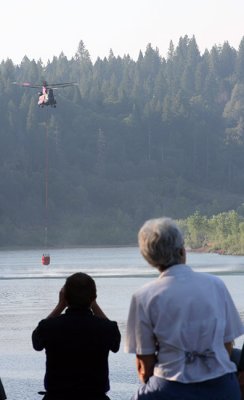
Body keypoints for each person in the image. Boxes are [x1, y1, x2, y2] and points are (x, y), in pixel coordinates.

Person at [125, 217, 244, 400]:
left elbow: (145, 367)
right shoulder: (216, 285)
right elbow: (227, 346)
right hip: (221, 388)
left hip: (169, 388)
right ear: (182, 250)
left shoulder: (143, 296)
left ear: (149, 258)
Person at [32, 272, 121, 400]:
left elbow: (36, 343)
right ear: (93, 297)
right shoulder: (106, 328)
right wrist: (93, 303)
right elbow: (115, 343)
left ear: (65, 297)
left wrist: (60, 305)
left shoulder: (49, 327)